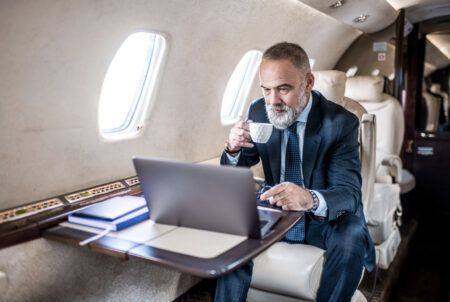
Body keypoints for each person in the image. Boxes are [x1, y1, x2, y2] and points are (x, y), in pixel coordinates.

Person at [215, 42, 375, 302]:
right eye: (266, 90)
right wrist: (233, 149)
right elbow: (238, 168)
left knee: (352, 232)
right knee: (233, 227)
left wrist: (309, 198)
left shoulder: (341, 123)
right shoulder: (259, 111)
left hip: (323, 219)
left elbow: (349, 193)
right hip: (275, 211)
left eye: (283, 89)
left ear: (308, 82)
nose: (273, 101)